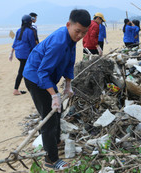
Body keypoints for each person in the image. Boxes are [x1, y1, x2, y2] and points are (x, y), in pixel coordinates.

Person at [23, 9, 91, 170]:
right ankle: (51, 159)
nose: (80, 36)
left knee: (58, 111)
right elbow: (42, 72)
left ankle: (55, 141)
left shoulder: (71, 38)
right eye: (78, 31)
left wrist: (68, 85)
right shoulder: (59, 43)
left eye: (84, 33)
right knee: (49, 117)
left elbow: (69, 62)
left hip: (45, 77)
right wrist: (54, 95)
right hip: (35, 77)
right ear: (68, 25)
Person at [9, 15, 36, 95]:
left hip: (18, 54)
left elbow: (15, 42)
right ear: (29, 22)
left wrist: (11, 53)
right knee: (24, 71)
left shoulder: (18, 30)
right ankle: (16, 90)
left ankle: (20, 88)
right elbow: (32, 45)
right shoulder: (30, 31)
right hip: (25, 55)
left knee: (24, 69)